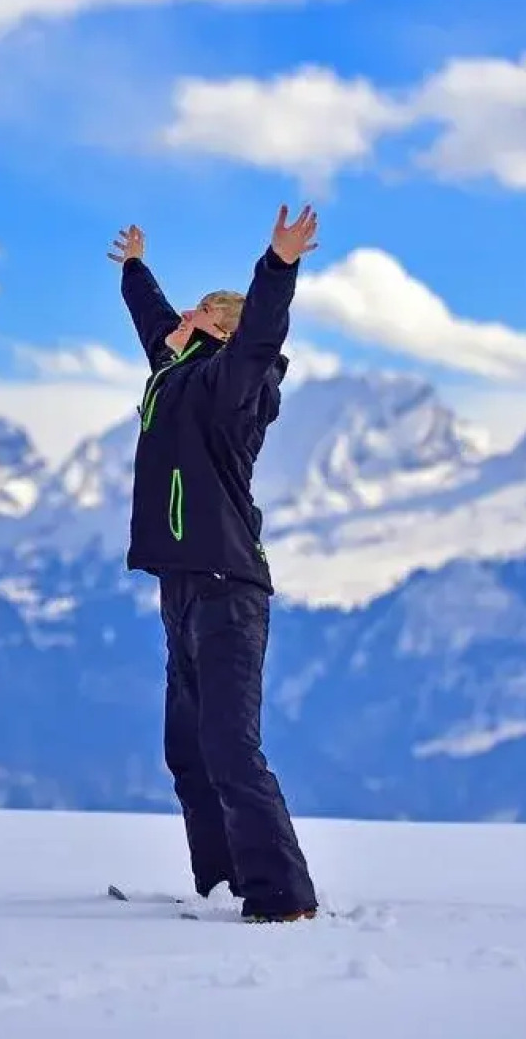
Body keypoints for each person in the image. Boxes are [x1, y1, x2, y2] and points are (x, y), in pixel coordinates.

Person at [106, 205, 320, 923]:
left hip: (229, 588)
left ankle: (282, 895)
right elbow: (154, 323)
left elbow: (261, 331)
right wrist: (136, 269)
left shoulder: (231, 387)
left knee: (230, 747)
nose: (184, 314)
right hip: (182, 586)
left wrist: (278, 266)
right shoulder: (174, 372)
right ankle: (222, 884)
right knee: (188, 753)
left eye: (200, 310)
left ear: (220, 332)